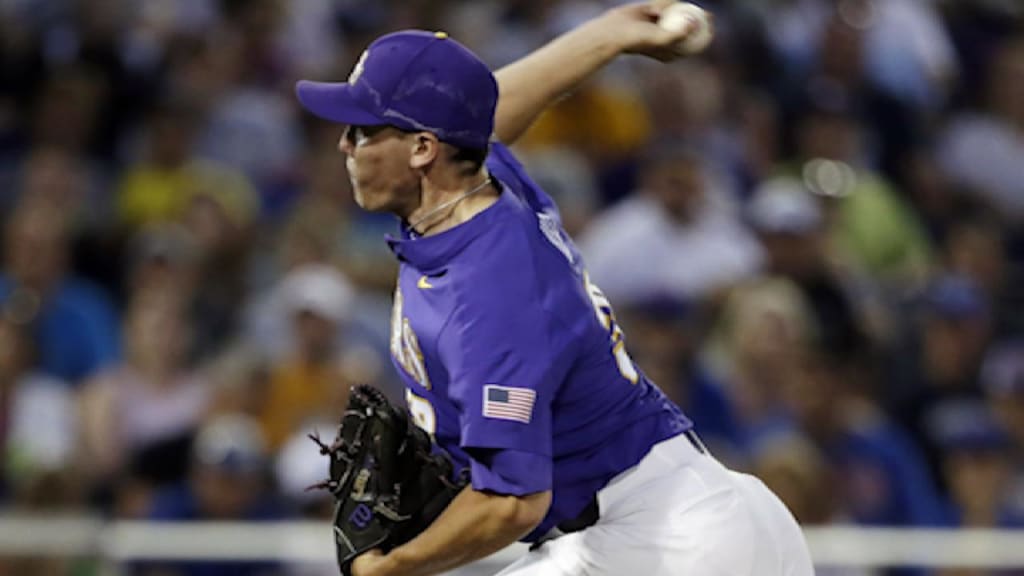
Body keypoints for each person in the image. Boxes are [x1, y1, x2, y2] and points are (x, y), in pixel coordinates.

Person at [294, 3, 813, 575]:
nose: (345, 145)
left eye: (363, 130)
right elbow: (486, 112)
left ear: (422, 150)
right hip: (662, 521)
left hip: (670, 542)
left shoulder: (485, 295)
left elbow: (515, 502)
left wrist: (389, 568)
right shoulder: (477, 183)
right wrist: (607, 36)